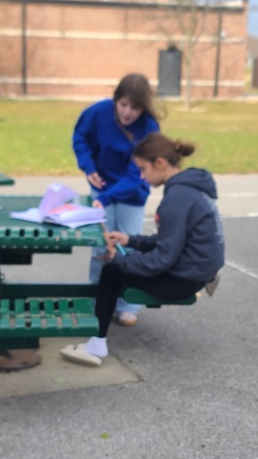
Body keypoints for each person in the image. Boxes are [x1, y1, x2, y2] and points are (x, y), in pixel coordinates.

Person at [61, 132, 225, 367]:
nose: (141, 176)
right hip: (197, 268)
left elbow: (163, 257)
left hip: (184, 279)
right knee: (120, 266)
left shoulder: (176, 198)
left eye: (143, 169)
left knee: (110, 273)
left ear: (159, 163)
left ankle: (96, 347)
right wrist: (130, 241)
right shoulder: (189, 188)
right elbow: (170, 240)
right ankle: (205, 273)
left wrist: (119, 259)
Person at [72, 73, 160, 326]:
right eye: (123, 104)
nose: (128, 112)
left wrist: (108, 196)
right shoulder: (97, 112)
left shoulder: (149, 128)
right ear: (116, 100)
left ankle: (127, 305)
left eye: (135, 107)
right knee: (101, 247)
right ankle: (97, 299)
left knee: (128, 246)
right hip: (101, 188)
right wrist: (88, 166)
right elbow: (81, 138)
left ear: (144, 107)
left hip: (131, 194)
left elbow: (137, 174)